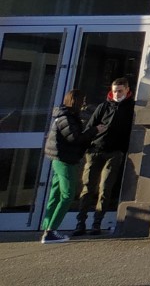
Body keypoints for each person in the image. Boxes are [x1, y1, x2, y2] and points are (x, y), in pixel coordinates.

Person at [74, 76, 135, 236]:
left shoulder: (131, 108)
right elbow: (90, 126)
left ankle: (96, 223)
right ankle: (80, 223)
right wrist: (93, 135)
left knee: (105, 189)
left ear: (127, 90)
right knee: (87, 187)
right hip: (95, 150)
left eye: (120, 91)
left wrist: (123, 149)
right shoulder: (103, 106)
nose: (117, 94)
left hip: (114, 152)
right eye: (114, 91)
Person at [40, 90, 98, 244]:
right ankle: (51, 231)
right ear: (76, 101)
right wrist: (95, 130)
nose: (84, 104)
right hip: (65, 160)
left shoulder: (62, 116)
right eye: (82, 101)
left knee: (56, 193)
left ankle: (47, 228)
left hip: (59, 159)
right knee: (67, 195)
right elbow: (75, 138)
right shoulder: (66, 117)